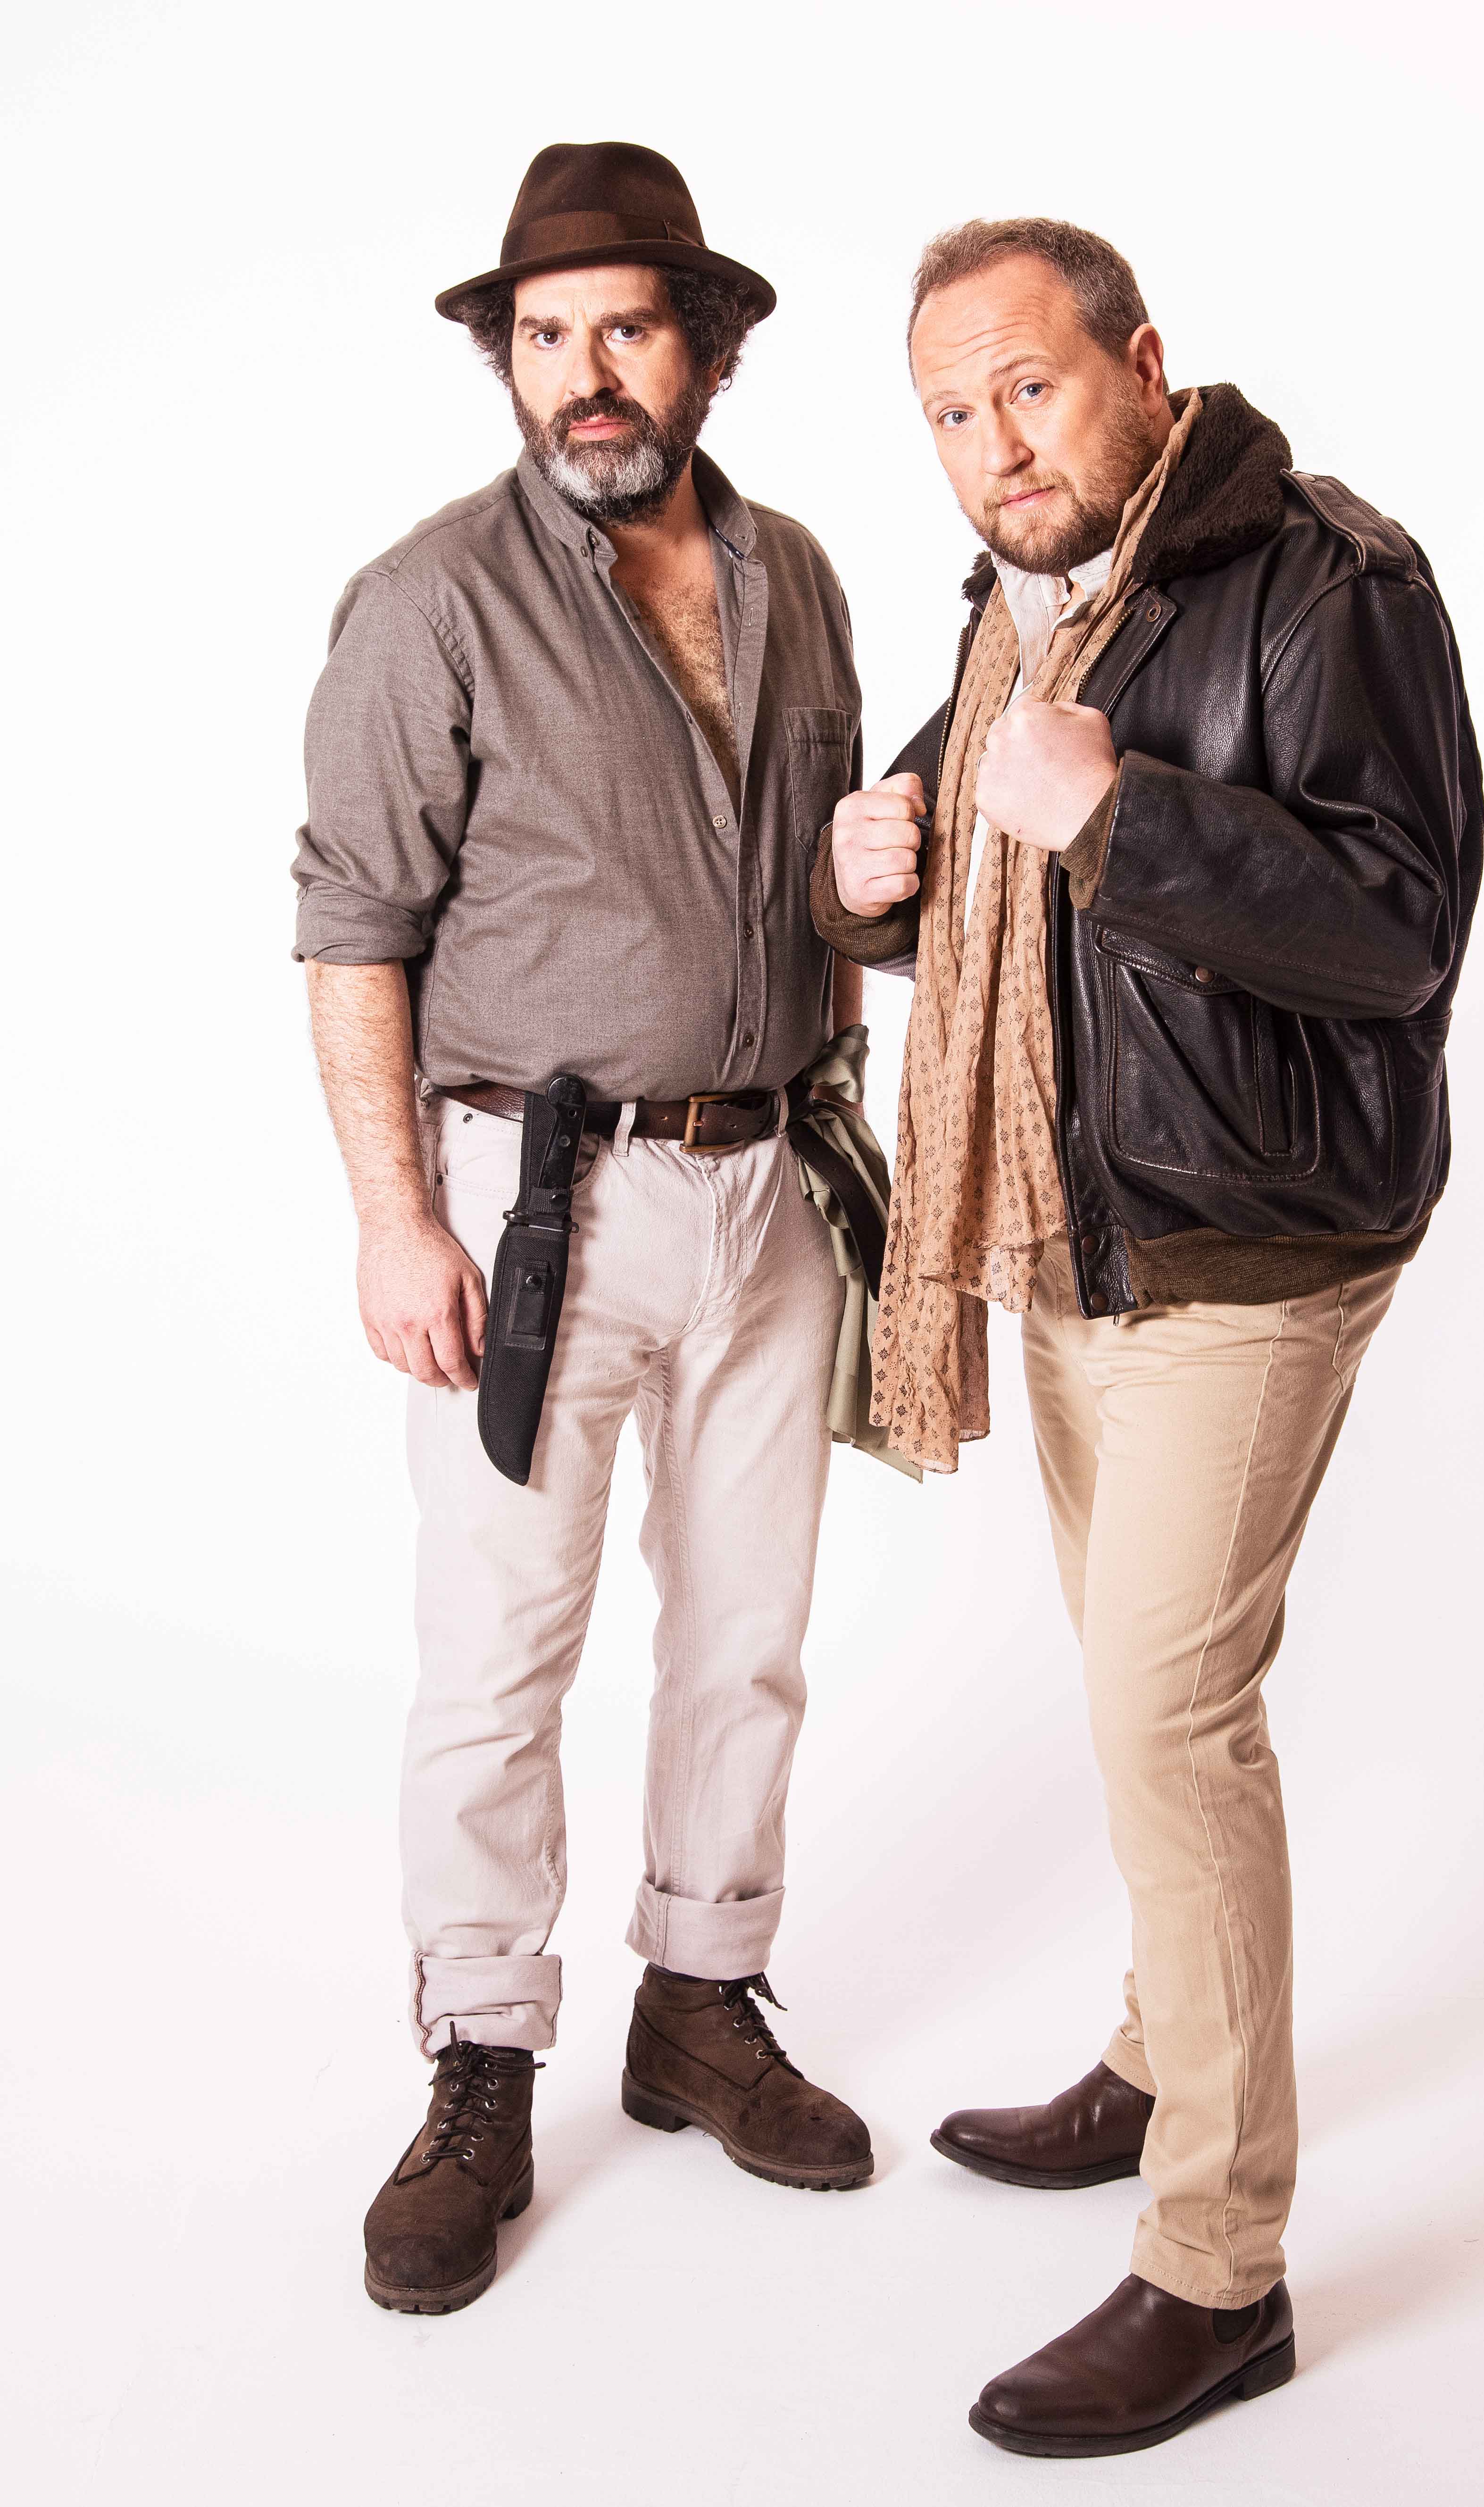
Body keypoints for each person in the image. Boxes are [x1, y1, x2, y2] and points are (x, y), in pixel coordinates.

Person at [814, 218, 1482, 2456]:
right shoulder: (1025, 607)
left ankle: (1219, 2272)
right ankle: (1156, 2050)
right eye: (948, 412)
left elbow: (1396, 931)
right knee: (1135, 1702)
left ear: (1142, 366)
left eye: (1027, 385)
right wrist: (861, 876)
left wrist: (1122, 811)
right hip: (1080, 1234)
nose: (992, 445)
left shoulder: (1329, 579)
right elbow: (971, 875)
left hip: (1253, 1241)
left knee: (1167, 1721)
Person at [294, 142, 876, 2320]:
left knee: (748, 1634)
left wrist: (867, 924)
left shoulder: (795, 573)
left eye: (625, 327)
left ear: (706, 349)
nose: (584, 373)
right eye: (544, 335)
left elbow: (815, 885)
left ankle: (701, 2006)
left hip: (772, 1184)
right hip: (534, 1209)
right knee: (498, 1651)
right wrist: (393, 1220)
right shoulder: (431, 598)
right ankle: (478, 2062)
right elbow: (353, 923)